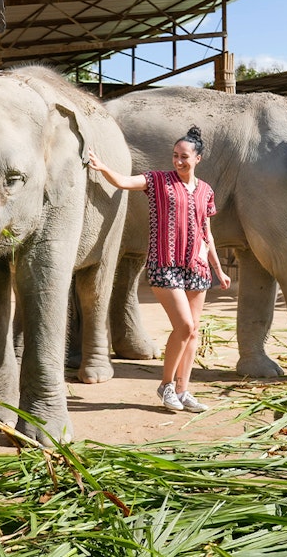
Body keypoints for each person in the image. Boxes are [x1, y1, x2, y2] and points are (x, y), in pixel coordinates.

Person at [87, 125, 231, 413]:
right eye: (175, 156)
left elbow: (207, 233)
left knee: (193, 332)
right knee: (185, 325)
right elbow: (124, 182)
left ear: (198, 158)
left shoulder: (205, 191)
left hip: (197, 267)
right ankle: (166, 385)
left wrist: (218, 268)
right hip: (164, 264)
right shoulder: (157, 181)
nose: (178, 161)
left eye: (184, 157)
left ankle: (183, 390)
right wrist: (102, 167)